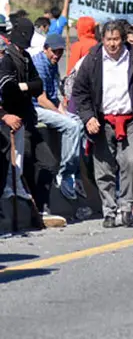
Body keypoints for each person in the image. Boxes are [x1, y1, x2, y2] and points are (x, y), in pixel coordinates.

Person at [72, 21, 133, 228]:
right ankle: (109, 210)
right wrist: (89, 117)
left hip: (130, 120)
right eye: (108, 39)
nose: (112, 44)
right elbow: (80, 91)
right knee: (104, 168)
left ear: (122, 39)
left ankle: (127, 207)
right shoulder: (92, 59)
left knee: (131, 161)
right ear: (102, 40)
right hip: (102, 121)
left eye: (116, 39)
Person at [0, 18, 62, 226]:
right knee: (16, 166)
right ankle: (21, 209)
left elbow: (38, 85)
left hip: (27, 120)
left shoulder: (26, 58)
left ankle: (40, 208)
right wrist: (24, 88)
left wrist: (23, 86)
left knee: (48, 163)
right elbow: (8, 89)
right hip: (11, 121)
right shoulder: (8, 59)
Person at [31, 34, 85, 202]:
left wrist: (64, 112)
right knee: (71, 126)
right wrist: (60, 114)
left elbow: (55, 96)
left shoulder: (52, 64)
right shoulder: (39, 64)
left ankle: (77, 173)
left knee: (79, 122)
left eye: (60, 52)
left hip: (48, 105)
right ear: (46, 49)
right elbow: (41, 99)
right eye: (54, 51)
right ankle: (65, 174)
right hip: (35, 108)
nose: (57, 55)